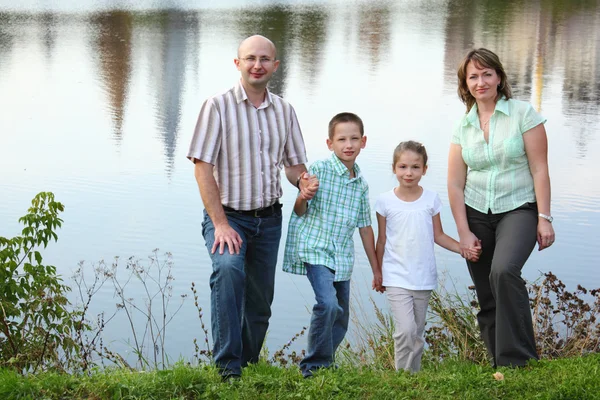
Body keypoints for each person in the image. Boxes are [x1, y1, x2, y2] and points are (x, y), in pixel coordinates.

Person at [187, 35, 318, 380]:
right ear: (238, 64)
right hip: (228, 218)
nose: (257, 65)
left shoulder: (285, 111)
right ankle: (227, 368)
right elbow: (201, 166)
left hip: (269, 220)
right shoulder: (216, 106)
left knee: (260, 303)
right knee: (228, 272)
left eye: (264, 59)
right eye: (250, 58)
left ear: (275, 66)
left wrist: (302, 181)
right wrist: (220, 224)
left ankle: (248, 363)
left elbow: (292, 165)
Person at [447, 48, 555, 368]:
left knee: (504, 270)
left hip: (518, 208)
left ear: (499, 77)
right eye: (473, 77)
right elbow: (455, 184)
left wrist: (545, 218)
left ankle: (518, 359)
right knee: (487, 290)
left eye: (487, 74)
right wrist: (463, 232)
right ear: (465, 85)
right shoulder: (462, 127)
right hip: (476, 212)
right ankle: (498, 362)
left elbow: (540, 169)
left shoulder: (523, 114)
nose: (481, 82)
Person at [283, 112, 382, 378]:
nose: (348, 145)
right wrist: (303, 195)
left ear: (363, 141)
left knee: (341, 317)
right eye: (341, 139)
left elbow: (365, 228)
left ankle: (326, 362)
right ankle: (313, 367)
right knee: (327, 304)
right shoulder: (318, 171)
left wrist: (376, 269)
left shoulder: (360, 184)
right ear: (330, 143)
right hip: (316, 250)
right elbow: (300, 210)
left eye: (353, 139)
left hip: (342, 257)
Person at [374, 140, 480, 373]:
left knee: (417, 332)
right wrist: (377, 272)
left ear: (424, 169)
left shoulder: (431, 199)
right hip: (395, 276)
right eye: (403, 167)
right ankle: (401, 377)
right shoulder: (385, 201)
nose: (409, 173)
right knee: (406, 330)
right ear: (394, 169)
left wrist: (463, 248)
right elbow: (381, 241)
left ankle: (414, 375)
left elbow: (439, 235)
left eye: (415, 167)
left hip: (423, 277)